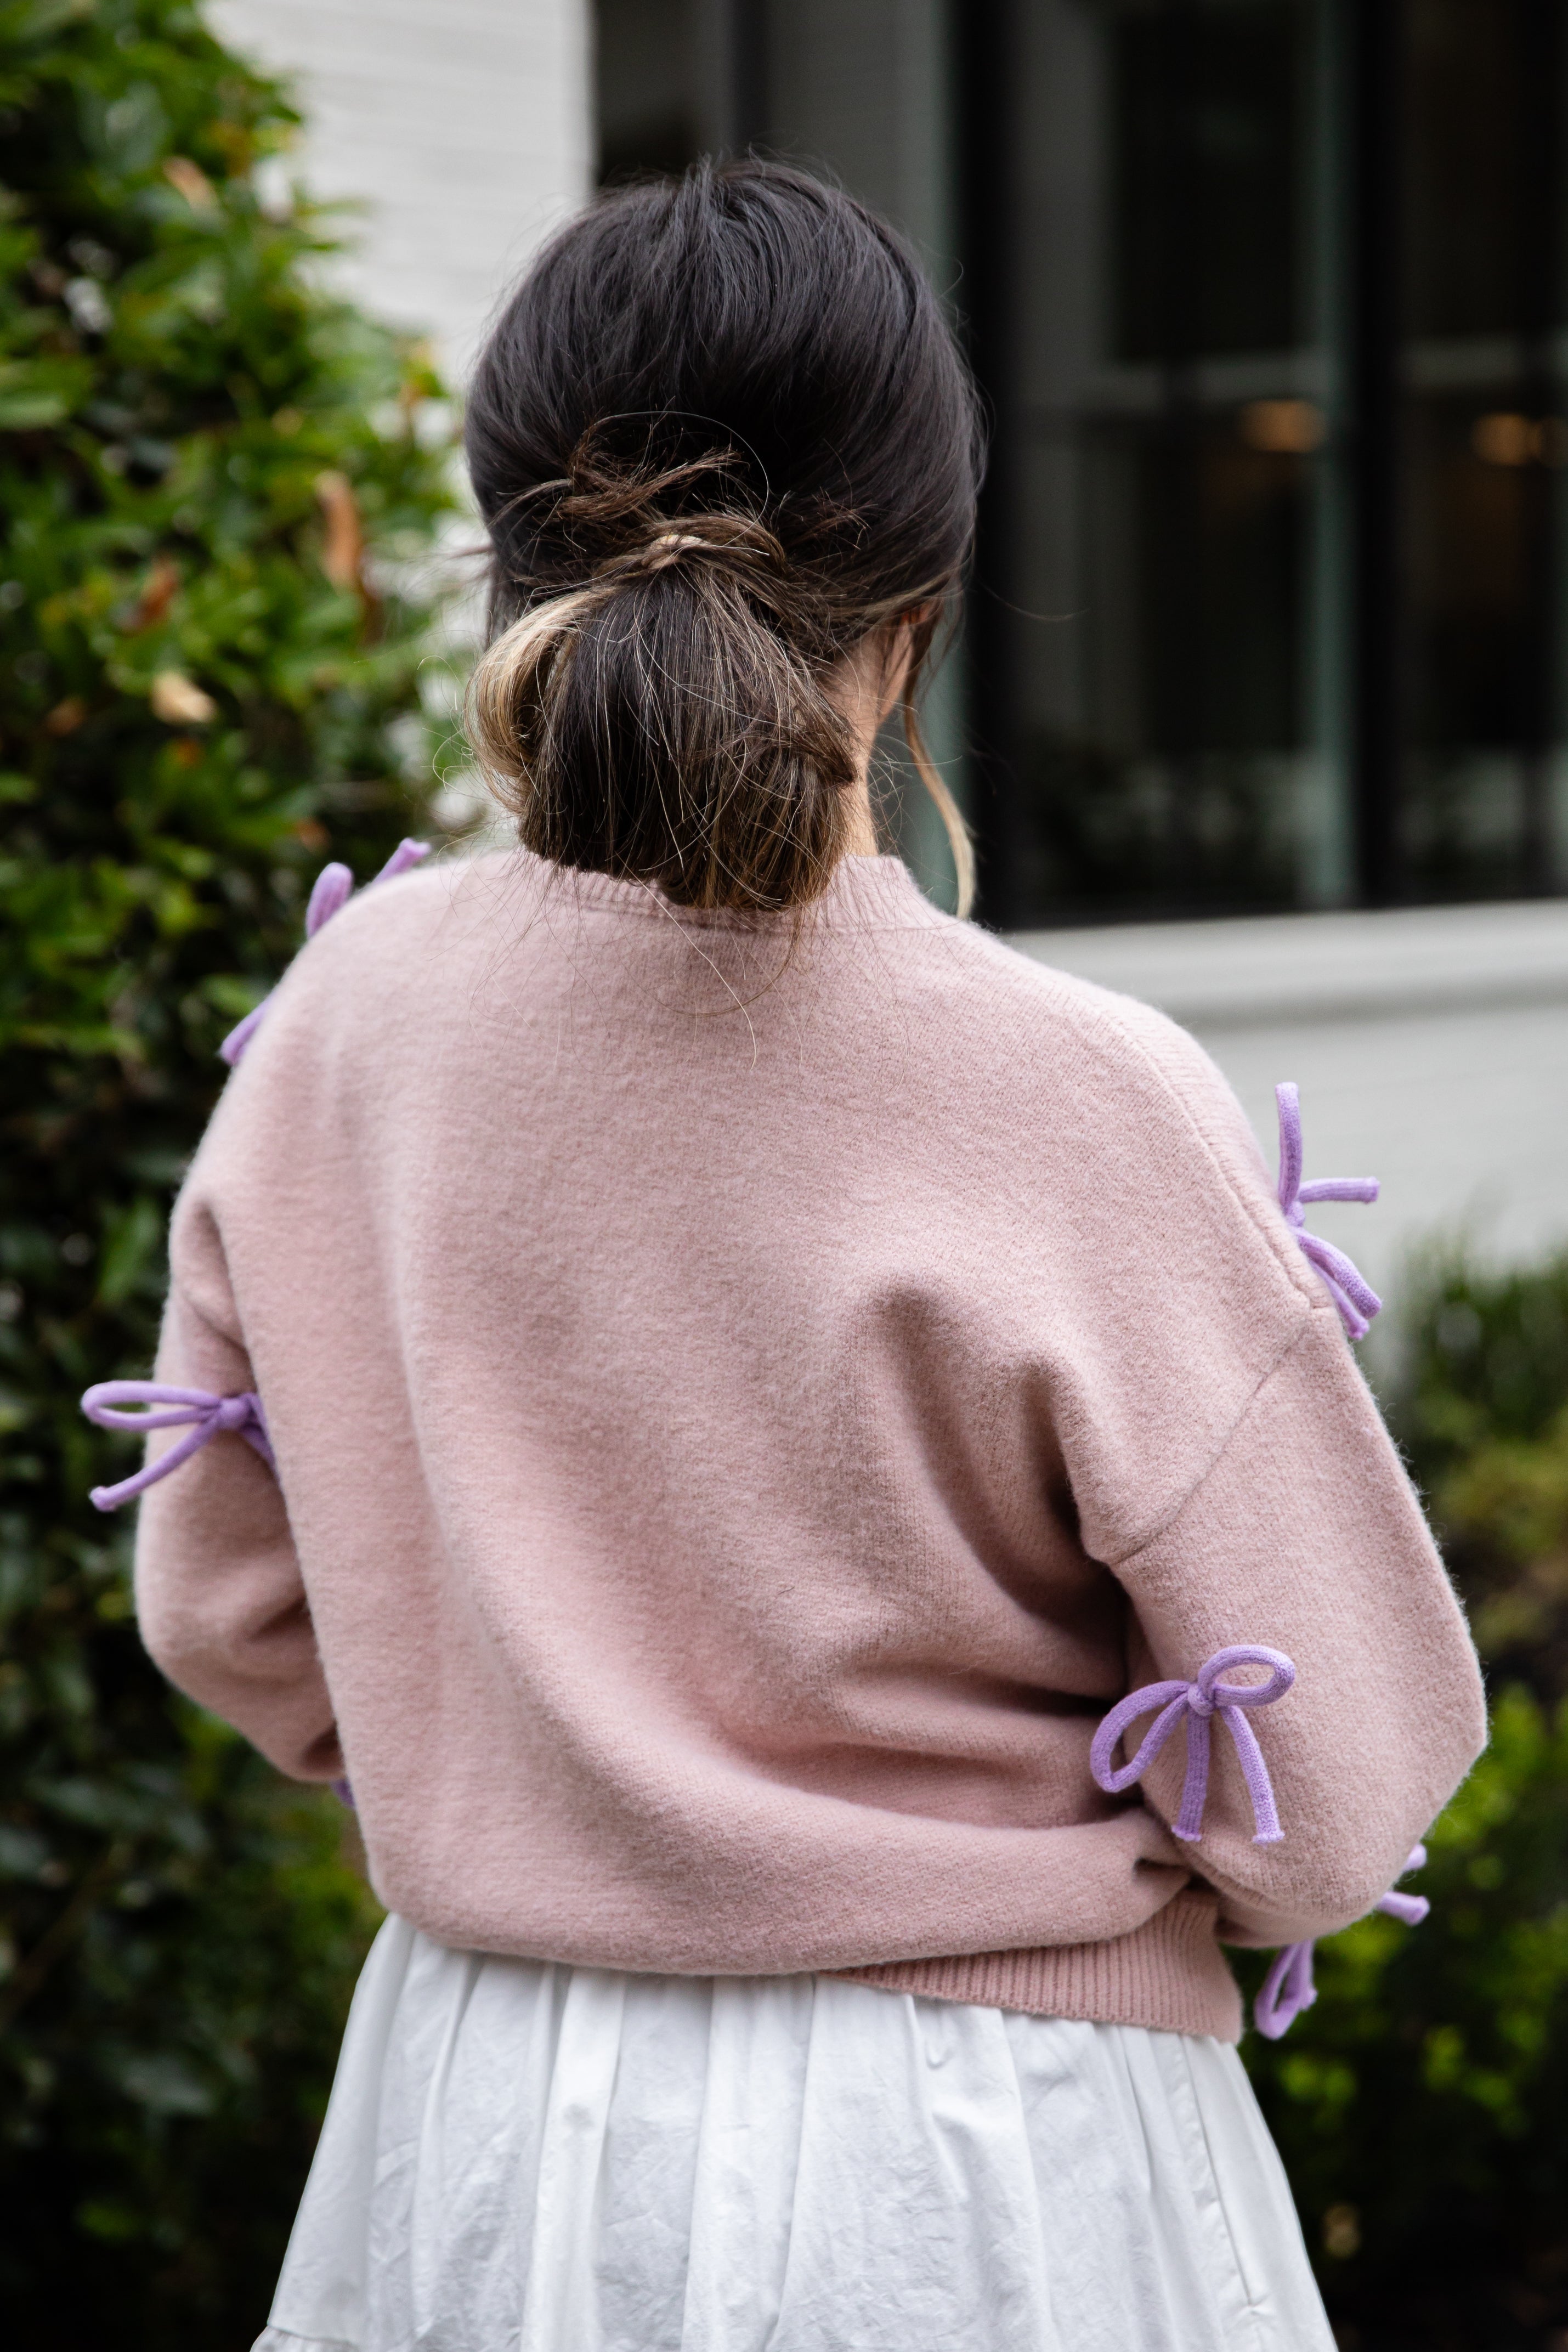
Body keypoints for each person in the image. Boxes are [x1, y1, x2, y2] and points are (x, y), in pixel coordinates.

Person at [97, 161, 1485, 2352]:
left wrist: (558, 1770)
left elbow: (221, 1605)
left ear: (513, 565)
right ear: (917, 603)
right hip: (993, 2170)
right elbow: (1341, 1781)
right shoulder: (1079, 1093)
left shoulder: (351, 1026)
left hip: (483, 2130)